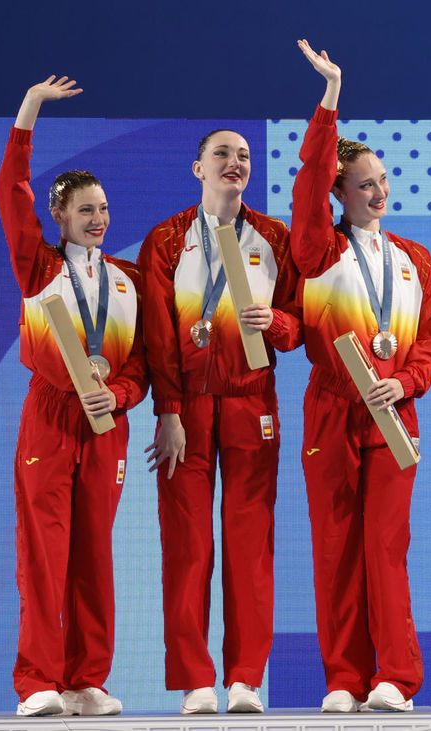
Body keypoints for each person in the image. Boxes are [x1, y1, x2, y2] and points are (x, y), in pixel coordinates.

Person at [291, 39, 431, 714]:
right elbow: (307, 184)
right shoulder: (316, 248)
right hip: (333, 406)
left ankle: (396, 677)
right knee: (335, 549)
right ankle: (343, 678)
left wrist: (408, 382)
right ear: (339, 191)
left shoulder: (414, 258)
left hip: (395, 415)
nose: (379, 191)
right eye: (365, 183)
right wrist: (330, 98)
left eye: (383, 181)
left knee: (385, 547)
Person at [138, 118, 302, 711]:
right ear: (197, 169)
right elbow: (157, 336)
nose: (235, 162)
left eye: (243, 155)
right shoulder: (164, 240)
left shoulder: (276, 239)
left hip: (252, 404)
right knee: (186, 546)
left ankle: (244, 678)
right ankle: (195, 679)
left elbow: (302, 323)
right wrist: (170, 410)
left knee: (249, 543)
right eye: (222, 154)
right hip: (187, 409)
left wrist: (276, 324)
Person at [0, 75, 147, 717]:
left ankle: (88, 680)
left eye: (104, 210)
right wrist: (29, 108)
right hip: (51, 420)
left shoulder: (128, 281)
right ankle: (38, 682)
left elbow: (142, 366)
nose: (99, 220)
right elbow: (11, 191)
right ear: (59, 216)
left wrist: (117, 395)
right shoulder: (39, 267)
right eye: (86, 210)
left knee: (94, 556)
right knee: (45, 553)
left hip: (105, 422)